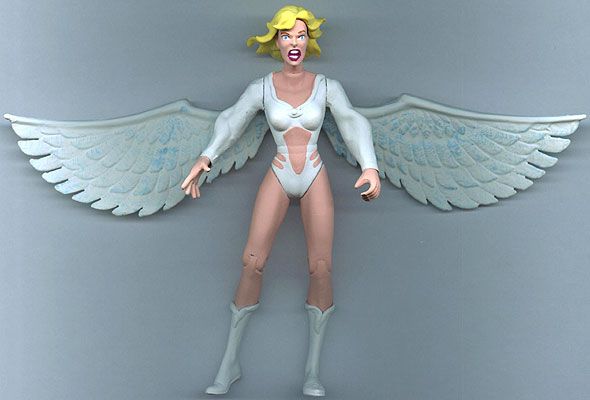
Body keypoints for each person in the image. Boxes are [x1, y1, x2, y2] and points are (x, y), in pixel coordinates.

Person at [181, 5, 380, 397]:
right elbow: (232, 120)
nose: (294, 42)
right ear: (276, 41)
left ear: (309, 42)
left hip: (313, 174)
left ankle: (312, 372)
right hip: (279, 171)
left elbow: (352, 121)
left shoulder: (326, 86)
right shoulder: (262, 87)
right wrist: (207, 156)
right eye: (287, 35)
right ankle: (229, 363)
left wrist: (370, 165)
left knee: (321, 267)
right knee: (251, 261)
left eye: (301, 35)